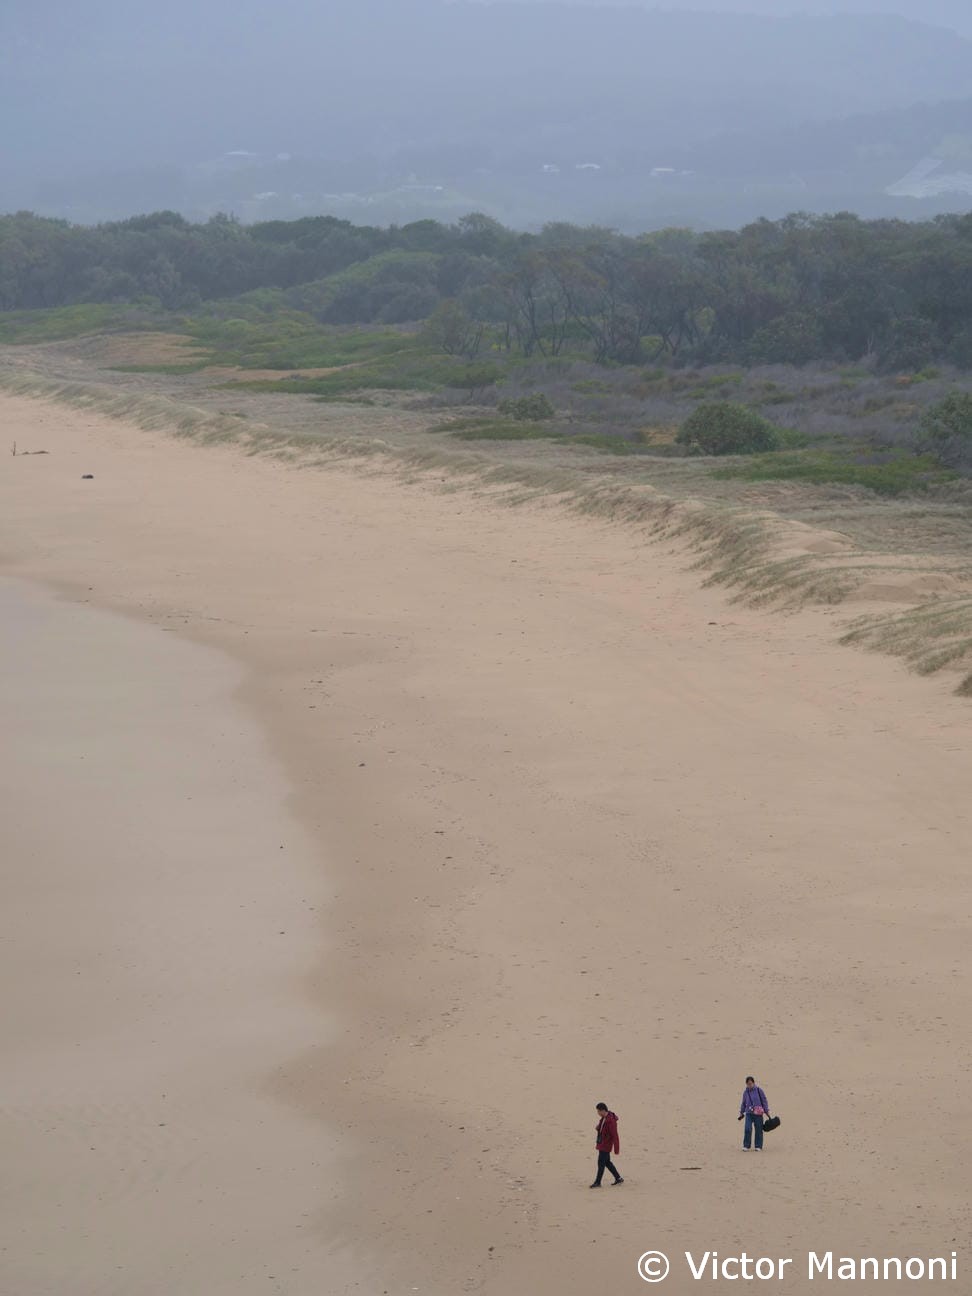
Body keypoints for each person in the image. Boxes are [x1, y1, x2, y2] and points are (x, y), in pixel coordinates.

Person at [590, 1102, 623, 1186]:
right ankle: (618, 1178)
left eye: (598, 1111)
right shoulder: (604, 1118)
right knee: (607, 1162)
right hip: (602, 1143)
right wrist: (598, 1128)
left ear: (603, 1110)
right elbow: (603, 1129)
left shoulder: (611, 1121)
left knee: (601, 1163)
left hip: (605, 1145)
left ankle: (598, 1182)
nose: (598, 1113)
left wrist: (616, 1149)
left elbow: (615, 1135)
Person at [738, 1076, 771, 1150]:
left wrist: (766, 1111)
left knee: (759, 1129)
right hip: (748, 1113)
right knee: (747, 1129)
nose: (749, 1085)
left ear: (753, 1083)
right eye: (748, 1084)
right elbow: (743, 1103)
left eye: (750, 1083)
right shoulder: (745, 1093)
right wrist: (741, 1112)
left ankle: (758, 1146)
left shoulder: (759, 1090)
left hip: (758, 1113)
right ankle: (746, 1145)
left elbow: (764, 1101)